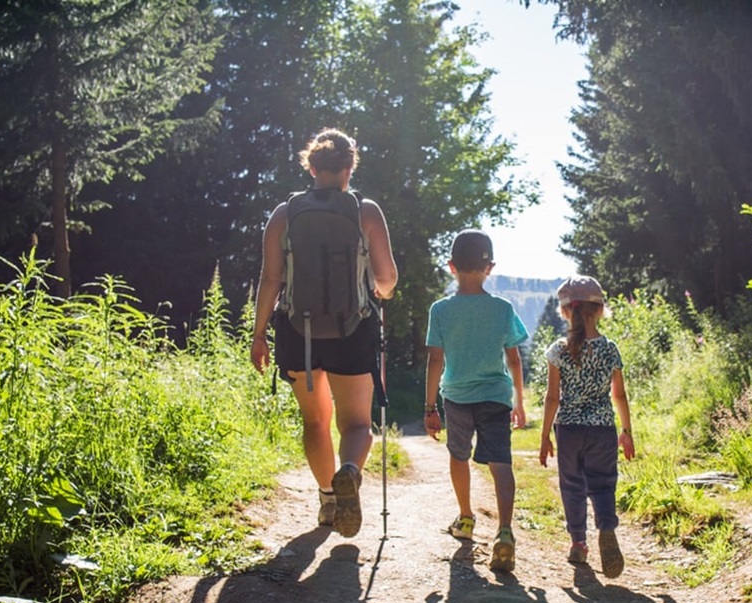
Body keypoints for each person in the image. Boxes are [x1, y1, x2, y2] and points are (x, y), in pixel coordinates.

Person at [250, 128, 398, 538]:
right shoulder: (364, 211)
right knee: (356, 425)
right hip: (353, 329)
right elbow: (387, 279)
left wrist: (259, 334)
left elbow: (270, 280)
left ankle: (329, 499)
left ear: (311, 168)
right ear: (349, 168)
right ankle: (349, 471)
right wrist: (378, 291)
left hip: (299, 332)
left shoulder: (285, 214)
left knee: (315, 422)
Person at [423, 229, 528, 572]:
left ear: (451, 266)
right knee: (501, 463)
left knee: (458, 455)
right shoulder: (502, 309)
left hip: (456, 397)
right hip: (496, 397)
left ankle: (466, 519)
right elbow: (513, 359)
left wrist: (429, 407)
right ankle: (505, 532)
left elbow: (435, 360)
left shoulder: (440, 310)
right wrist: (520, 402)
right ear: (490, 267)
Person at [538, 275, 634, 578]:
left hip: (568, 429)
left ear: (565, 311)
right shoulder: (610, 348)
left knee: (572, 485)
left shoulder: (558, 349)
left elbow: (553, 397)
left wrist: (544, 436)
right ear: (601, 309)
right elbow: (619, 394)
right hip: (603, 427)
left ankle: (578, 542)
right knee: (603, 483)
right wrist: (627, 432)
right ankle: (606, 526)